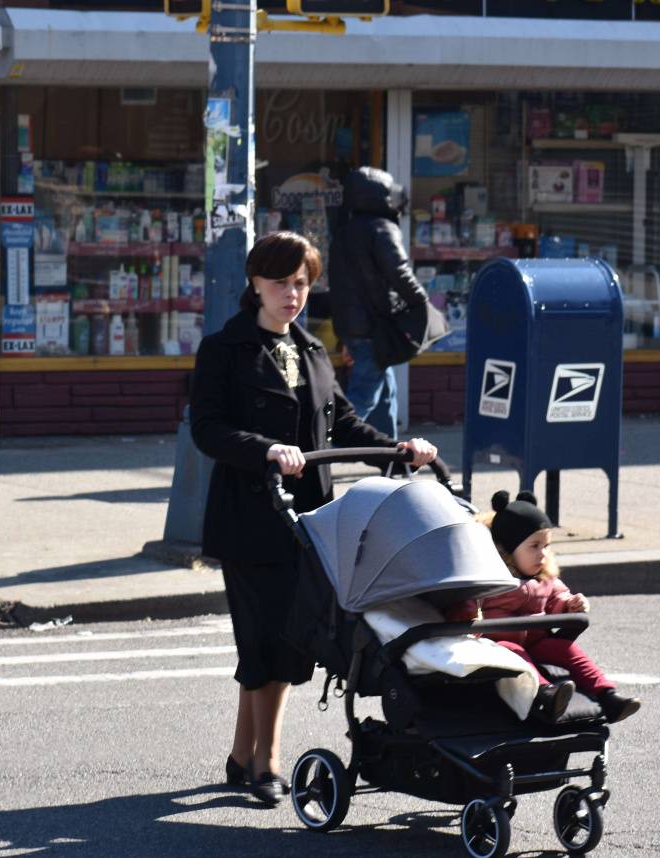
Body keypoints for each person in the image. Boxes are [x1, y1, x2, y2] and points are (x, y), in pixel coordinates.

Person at [190, 231, 439, 806]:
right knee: (263, 640)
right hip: (251, 518)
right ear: (254, 283)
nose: (293, 293)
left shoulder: (312, 350)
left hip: (311, 523)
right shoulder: (224, 350)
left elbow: (345, 425)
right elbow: (207, 428)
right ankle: (267, 761)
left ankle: (240, 753)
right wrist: (265, 449)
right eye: (281, 283)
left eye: (302, 282)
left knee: (286, 639)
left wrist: (399, 449)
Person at [449, 490, 642, 725]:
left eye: (546, 546)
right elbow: (467, 601)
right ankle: (546, 693)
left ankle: (608, 695)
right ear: (508, 548)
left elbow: (556, 597)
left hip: (535, 639)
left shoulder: (544, 577)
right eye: (534, 546)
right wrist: (467, 613)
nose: (542, 554)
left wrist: (570, 604)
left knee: (566, 650)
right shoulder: (489, 578)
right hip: (496, 643)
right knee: (512, 651)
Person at [328, 166, 432, 437]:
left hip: (353, 325)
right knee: (363, 397)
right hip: (374, 326)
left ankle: (391, 456)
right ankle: (325, 450)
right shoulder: (382, 228)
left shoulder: (344, 231)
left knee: (386, 393)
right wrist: (421, 302)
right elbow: (398, 272)